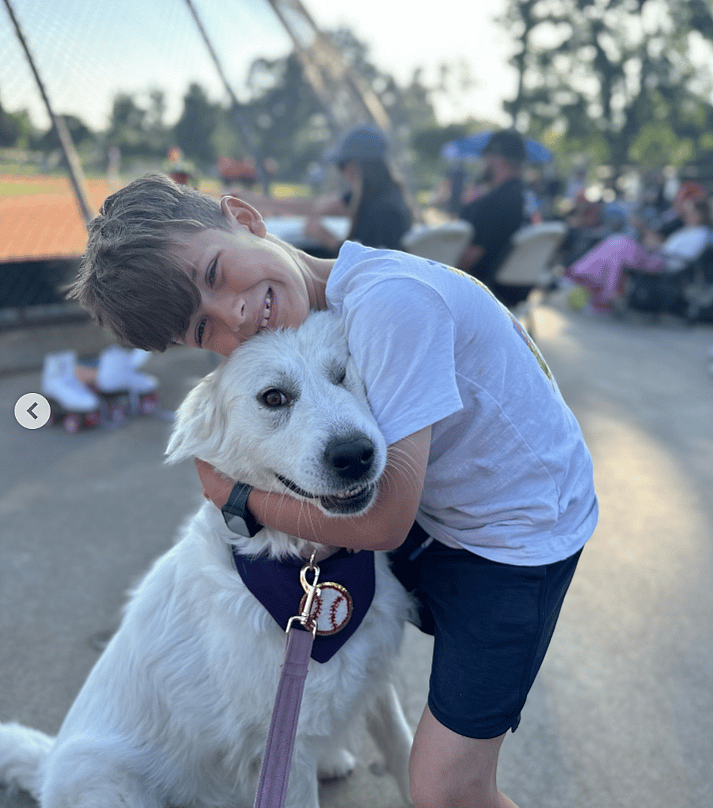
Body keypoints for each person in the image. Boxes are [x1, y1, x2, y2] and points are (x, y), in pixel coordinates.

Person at [70, 172, 598, 808]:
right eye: (204, 330)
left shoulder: (387, 306)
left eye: (214, 272)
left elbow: (382, 527)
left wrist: (233, 496)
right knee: (343, 645)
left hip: (516, 535)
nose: (233, 316)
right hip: (450, 512)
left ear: (244, 215)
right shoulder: (322, 302)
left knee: (447, 790)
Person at [236, 123, 413, 255]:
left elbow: (370, 266)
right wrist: (254, 201)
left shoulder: (383, 212)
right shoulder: (379, 195)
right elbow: (318, 206)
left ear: (358, 168)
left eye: (343, 165)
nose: (344, 172)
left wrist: (329, 240)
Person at [565, 197, 711, 312]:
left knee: (618, 243)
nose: (686, 215)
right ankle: (599, 290)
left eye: (690, 212)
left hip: (663, 262)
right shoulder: (688, 230)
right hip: (658, 257)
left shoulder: (701, 233)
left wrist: (649, 238)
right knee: (615, 246)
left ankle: (583, 278)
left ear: (700, 214)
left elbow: (681, 256)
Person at [456, 129, 529, 306]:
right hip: (512, 290)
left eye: (485, 157)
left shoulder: (494, 202)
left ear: (498, 159)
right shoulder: (520, 197)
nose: (482, 163)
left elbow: (470, 256)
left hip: (479, 290)